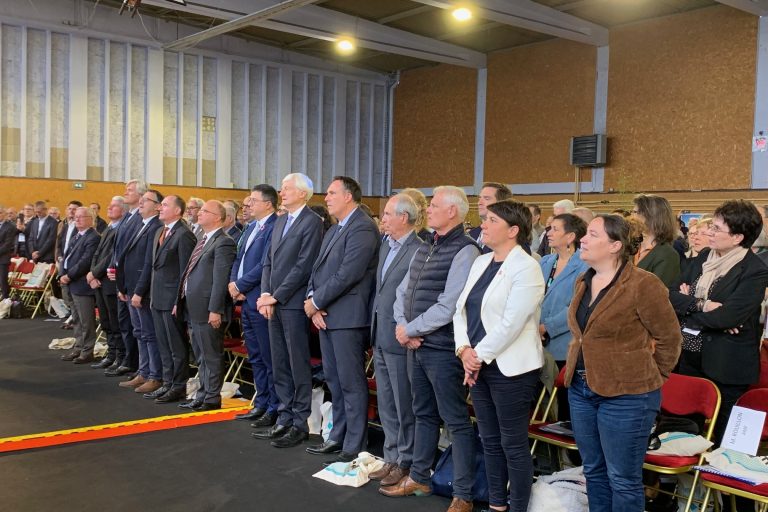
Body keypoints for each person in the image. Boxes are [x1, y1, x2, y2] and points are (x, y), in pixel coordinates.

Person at [565, 214, 682, 512]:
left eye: (592, 234)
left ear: (615, 245)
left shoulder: (643, 284)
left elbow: (669, 338)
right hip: (581, 389)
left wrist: (653, 376)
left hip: (628, 395)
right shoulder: (584, 280)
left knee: (622, 478)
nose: (583, 239)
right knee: (593, 471)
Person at [383, 186, 480, 512]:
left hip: (442, 349)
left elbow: (450, 304)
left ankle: (463, 494)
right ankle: (419, 476)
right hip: (416, 345)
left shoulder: (465, 250)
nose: (429, 210)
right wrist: (403, 328)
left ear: (452, 211)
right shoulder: (426, 246)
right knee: (422, 413)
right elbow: (402, 292)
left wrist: (410, 329)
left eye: (435, 205)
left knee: (455, 421)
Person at [453, 200, 544, 512]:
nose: (484, 225)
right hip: (477, 364)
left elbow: (512, 323)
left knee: (512, 444)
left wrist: (476, 355)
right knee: (489, 440)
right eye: (485, 219)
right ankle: (496, 505)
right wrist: (463, 350)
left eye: (492, 220)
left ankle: (517, 507)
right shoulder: (481, 262)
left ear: (513, 230)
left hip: (511, 368)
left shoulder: (527, 267)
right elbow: (460, 310)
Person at [669, 200, 768, 442]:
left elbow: (728, 316)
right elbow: (670, 295)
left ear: (737, 238)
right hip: (690, 357)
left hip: (727, 364)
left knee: (724, 439)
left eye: (716, 228)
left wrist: (688, 305)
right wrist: (701, 304)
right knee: (684, 433)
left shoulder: (754, 270)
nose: (709, 233)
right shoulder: (704, 257)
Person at [303, 177, 380, 463]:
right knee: (334, 381)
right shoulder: (336, 228)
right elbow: (317, 270)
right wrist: (313, 301)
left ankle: (354, 442)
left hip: (348, 317)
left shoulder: (362, 227)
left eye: (332, 193)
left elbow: (349, 273)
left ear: (348, 196)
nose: (326, 198)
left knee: (350, 382)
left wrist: (317, 303)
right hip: (327, 315)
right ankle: (338, 435)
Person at [254, 173, 323, 447]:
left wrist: (276, 296)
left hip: (293, 304)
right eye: (282, 189)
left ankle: (299, 422)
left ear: (303, 193)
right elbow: (268, 261)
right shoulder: (281, 220)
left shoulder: (312, 222)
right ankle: (284, 417)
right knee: (279, 361)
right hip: (274, 302)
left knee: (297, 363)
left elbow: (304, 265)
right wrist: (265, 294)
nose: (281, 193)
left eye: (287, 189)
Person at [367, 194, 424, 488]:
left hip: (399, 335)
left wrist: (407, 328)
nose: (383, 218)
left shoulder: (418, 249)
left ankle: (406, 460)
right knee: (387, 402)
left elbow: (414, 296)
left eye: (388, 214)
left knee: (403, 403)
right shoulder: (385, 245)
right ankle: (390, 456)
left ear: (404, 217)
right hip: (380, 332)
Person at [177, 200, 237, 411]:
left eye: (205, 211)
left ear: (218, 217)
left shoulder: (224, 242)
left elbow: (220, 280)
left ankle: (211, 397)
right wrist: (180, 300)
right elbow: (189, 273)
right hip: (193, 306)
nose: (199, 213)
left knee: (210, 355)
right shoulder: (203, 238)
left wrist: (215, 309)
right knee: (200, 354)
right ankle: (202, 393)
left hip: (208, 308)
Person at [229, 185, 279, 423]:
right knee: (255, 356)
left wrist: (241, 285)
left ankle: (273, 407)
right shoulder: (250, 227)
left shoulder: (274, 226)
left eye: (254, 201)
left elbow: (265, 264)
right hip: (245, 299)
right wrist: (233, 283)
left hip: (259, 298)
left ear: (268, 204)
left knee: (268, 357)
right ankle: (261, 402)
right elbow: (239, 258)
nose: (248, 205)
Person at [149, 195, 197, 403]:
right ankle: (167, 382)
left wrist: (179, 301)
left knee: (176, 345)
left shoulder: (184, 234)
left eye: (165, 205)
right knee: (163, 344)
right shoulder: (161, 231)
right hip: (157, 297)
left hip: (172, 300)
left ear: (177, 211)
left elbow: (185, 272)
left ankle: (178, 385)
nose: (160, 208)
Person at [118, 189, 164, 395]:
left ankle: (155, 375)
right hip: (131, 288)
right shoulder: (140, 224)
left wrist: (138, 291)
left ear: (157, 206)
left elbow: (148, 263)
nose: (141, 203)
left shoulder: (156, 227)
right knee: (139, 332)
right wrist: (123, 287)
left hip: (143, 290)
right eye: (142, 199)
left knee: (149, 333)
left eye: (146, 200)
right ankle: (143, 371)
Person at [107, 179, 147, 377]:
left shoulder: (141, 218)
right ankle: (128, 360)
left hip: (132, 279)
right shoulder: (127, 217)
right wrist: (113, 267)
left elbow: (134, 252)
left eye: (129, 190)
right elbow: (118, 248)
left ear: (141, 195)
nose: (126, 193)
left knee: (137, 327)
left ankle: (135, 363)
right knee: (125, 323)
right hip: (122, 278)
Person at [539, 214, 589, 364]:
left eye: (555, 229)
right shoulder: (544, 262)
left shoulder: (585, 266)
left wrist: (546, 327)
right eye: (549, 229)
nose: (548, 233)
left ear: (570, 237)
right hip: (537, 343)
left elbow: (578, 305)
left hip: (564, 345)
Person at [86, 196, 127, 370]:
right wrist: (93, 274)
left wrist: (94, 273)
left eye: (114, 206)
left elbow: (111, 256)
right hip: (99, 281)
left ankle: (120, 356)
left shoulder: (121, 229)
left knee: (115, 322)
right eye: (109, 205)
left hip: (110, 282)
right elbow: (97, 254)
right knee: (105, 321)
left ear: (123, 210)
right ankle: (111, 354)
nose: (109, 208)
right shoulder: (109, 227)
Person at [58, 207, 101, 363]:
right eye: (76, 217)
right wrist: (61, 274)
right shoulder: (77, 235)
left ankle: (87, 351)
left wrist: (68, 276)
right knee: (76, 319)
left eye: (81, 217)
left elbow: (85, 261)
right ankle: (78, 347)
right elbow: (66, 257)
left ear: (91, 219)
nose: (77, 219)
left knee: (86, 320)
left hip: (82, 284)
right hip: (71, 282)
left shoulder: (93, 237)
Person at [631, 194, 680, 287]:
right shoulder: (631, 246)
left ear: (654, 217)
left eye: (637, 213)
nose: (632, 217)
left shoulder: (668, 255)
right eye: (632, 212)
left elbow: (655, 291)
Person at [468, 182, 513, 253]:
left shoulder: (509, 238)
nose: (479, 203)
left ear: (501, 203)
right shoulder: (471, 234)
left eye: (486, 198)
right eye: (479, 198)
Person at [0, 206, 17, 299]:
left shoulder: (10, 226)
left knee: (2, 280)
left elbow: (7, 244)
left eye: (0, 213)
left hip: (3, 258)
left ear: (5, 214)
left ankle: (5, 299)